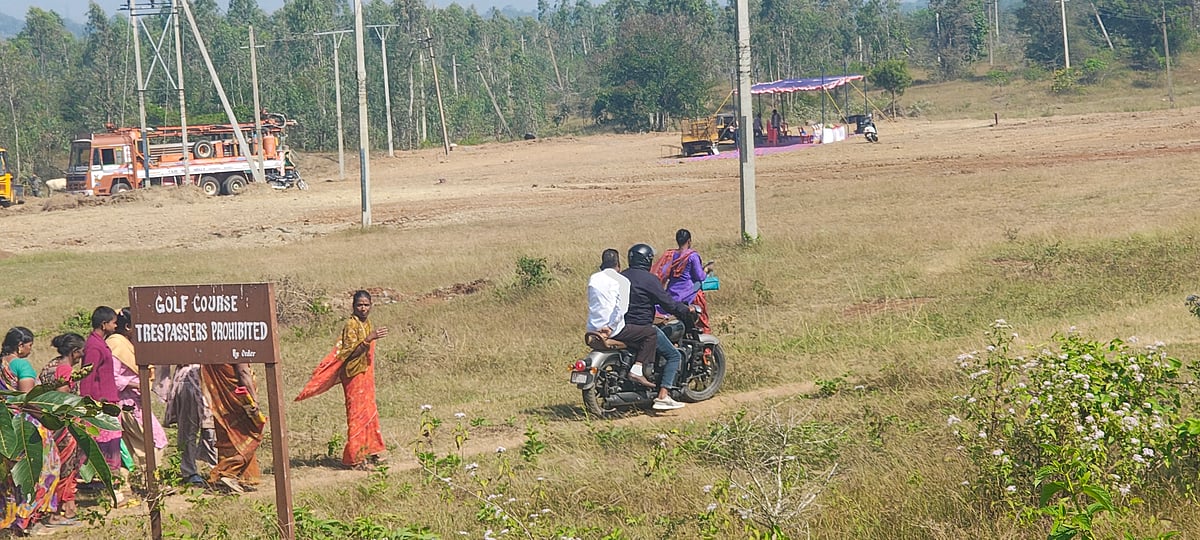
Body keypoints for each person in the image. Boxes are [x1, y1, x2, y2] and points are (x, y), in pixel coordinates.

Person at [295, 290, 390, 469]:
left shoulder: (367, 323)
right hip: (353, 374)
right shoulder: (351, 325)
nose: (363, 308)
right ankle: (355, 458)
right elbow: (350, 354)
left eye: (366, 305)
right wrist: (369, 339)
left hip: (365, 374)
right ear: (353, 306)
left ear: (371, 306)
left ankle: (372, 450)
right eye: (359, 305)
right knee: (356, 414)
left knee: (369, 411)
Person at [0, 327, 64, 534]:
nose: (30, 350)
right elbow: (27, 400)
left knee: (12, 476)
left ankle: (9, 519)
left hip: (5, 427)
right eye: (29, 346)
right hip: (26, 426)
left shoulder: (1, 365)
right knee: (45, 470)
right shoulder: (21, 364)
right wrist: (47, 420)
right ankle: (29, 520)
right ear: (20, 346)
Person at [77, 306, 136, 507]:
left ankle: (111, 487)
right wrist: (87, 405)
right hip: (99, 404)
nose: (115, 325)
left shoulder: (99, 343)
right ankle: (109, 489)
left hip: (108, 402)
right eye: (112, 322)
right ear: (104, 324)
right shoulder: (94, 346)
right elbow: (87, 377)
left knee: (111, 445)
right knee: (105, 447)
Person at [623, 244, 694, 411]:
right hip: (642, 327)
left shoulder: (622, 277)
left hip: (621, 328)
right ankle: (663, 395)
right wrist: (684, 309)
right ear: (647, 260)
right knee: (673, 355)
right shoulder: (649, 280)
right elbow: (668, 303)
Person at [107, 308, 168, 490]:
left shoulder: (124, 343)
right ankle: (152, 482)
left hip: (132, 400)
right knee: (157, 440)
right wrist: (136, 383)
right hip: (128, 402)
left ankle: (127, 486)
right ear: (127, 327)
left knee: (132, 445)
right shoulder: (116, 345)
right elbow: (113, 378)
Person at [586, 248, 658, 389]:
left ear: (602, 264)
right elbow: (622, 309)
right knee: (650, 333)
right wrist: (611, 327)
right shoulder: (622, 281)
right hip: (612, 330)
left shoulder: (593, 278)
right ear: (618, 264)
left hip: (593, 329)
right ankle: (637, 370)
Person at [40, 333, 87, 527]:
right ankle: (66, 509)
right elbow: (63, 400)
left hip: (49, 423)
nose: (83, 355)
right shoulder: (65, 370)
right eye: (81, 351)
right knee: (67, 466)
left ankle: (62, 507)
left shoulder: (50, 365)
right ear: (75, 352)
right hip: (65, 426)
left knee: (59, 465)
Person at [203, 361, 265, 493]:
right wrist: (254, 400)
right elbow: (243, 372)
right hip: (237, 400)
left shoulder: (212, 346)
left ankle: (238, 478)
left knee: (227, 438)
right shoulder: (235, 343)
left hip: (221, 401)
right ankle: (227, 473)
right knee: (252, 434)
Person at [164, 364, 217, 487]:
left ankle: (217, 468)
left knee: (211, 428)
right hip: (189, 379)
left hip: (212, 378)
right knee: (188, 430)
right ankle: (189, 471)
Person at [651, 228, 714, 333]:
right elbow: (700, 277)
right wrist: (707, 269)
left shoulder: (671, 254)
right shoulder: (692, 256)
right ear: (689, 241)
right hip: (689, 292)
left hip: (671, 292)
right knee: (700, 321)